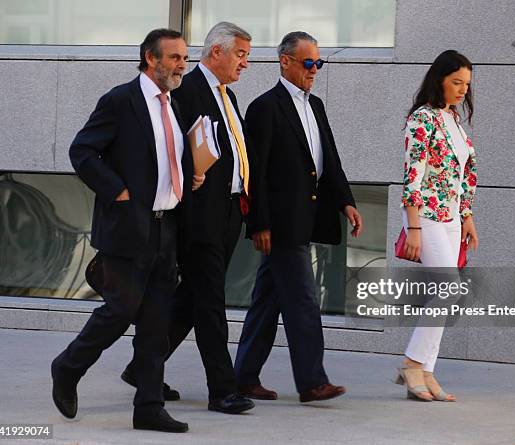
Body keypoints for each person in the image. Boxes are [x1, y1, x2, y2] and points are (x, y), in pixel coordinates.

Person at [51, 28, 193, 432]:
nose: (182, 64)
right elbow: (82, 151)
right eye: (175, 57)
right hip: (129, 228)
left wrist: (189, 176)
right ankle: (67, 366)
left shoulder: (173, 105)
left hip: (166, 228)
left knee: (156, 322)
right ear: (151, 59)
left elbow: (165, 158)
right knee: (120, 311)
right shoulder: (121, 100)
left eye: (184, 57)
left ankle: (148, 407)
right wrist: (119, 192)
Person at [121, 22, 255, 414]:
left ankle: (141, 367)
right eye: (241, 54)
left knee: (190, 299)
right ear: (217, 52)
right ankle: (222, 389)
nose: (245, 63)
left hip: (230, 212)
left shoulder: (227, 96)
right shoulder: (189, 90)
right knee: (210, 302)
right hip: (200, 216)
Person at [234, 31, 363, 403]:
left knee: (267, 301)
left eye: (319, 63)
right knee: (304, 300)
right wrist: (259, 223)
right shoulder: (264, 108)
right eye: (309, 63)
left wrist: (346, 202)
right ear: (285, 62)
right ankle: (312, 381)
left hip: (307, 219)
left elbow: (328, 160)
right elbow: (253, 173)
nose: (315, 70)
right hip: (280, 225)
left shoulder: (316, 105)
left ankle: (243, 376)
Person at [398, 50, 478, 402]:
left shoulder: (454, 120)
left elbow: (464, 175)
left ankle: (426, 370)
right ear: (440, 80)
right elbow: (412, 176)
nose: (462, 90)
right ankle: (413, 363)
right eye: (456, 82)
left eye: (466, 84)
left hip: (451, 216)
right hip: (425, 214)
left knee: (448, 293)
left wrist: (467, 216)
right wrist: (413, 228)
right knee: (449, 290)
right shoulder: (423, 119)